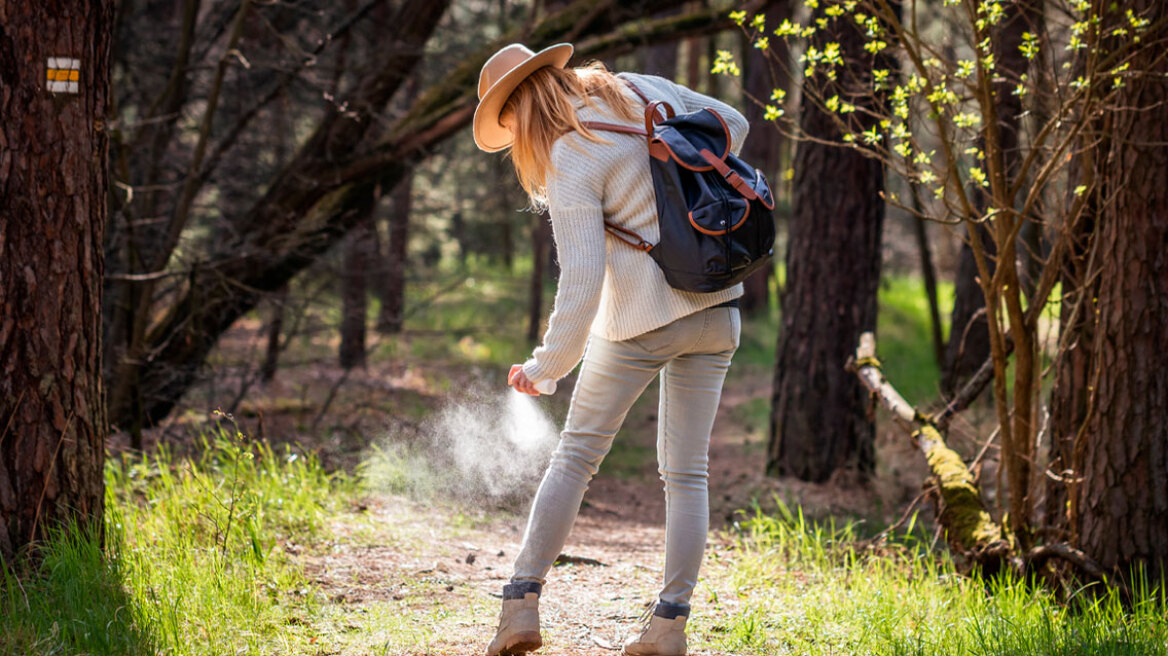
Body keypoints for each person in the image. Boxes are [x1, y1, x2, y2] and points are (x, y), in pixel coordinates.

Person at [472, 42, 749, 656]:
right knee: (687, 474)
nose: (514, 138)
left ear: (521, 107)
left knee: (574, 458)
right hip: (718, 306)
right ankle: (668, 628)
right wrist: (673, 170)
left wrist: (545, 370)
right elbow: (735, 124)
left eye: (508, 123)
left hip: (639, 324)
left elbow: (580, 286)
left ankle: (519, 606)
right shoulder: (641, 89)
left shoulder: (572, 155)